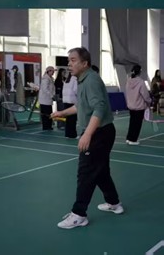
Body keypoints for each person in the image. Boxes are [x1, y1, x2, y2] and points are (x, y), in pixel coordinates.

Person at [52, 47, 123, 229]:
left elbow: (99, 108)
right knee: (100, 171)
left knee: (86, 173)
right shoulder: (83, 79)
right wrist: (62, 112)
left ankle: (79, 214)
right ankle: (114, 202)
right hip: (101, 132)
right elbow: (81, 105)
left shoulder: (91, 80)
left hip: (99, 133)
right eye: (69, 60)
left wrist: (88, 134)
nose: (69, 64)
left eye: (73, 60)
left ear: (84, 63)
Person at [125, 64, 151, 145]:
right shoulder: (141, 82)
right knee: (137, 124)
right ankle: (133, 140)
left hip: (131, 106)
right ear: (139, 72)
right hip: (139, 107)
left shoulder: (128, 81)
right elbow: (145, 95)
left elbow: (127, 93)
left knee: (132, 122)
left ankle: (129, 138)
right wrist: (149, 101)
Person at [62, 69, 78, 139]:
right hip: (72, 101)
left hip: (65, 101)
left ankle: (67, 134)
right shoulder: (75, 79)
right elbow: (76, 90)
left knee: (68, 119)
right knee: (73, 119)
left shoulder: (66, 80)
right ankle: (73, 134)